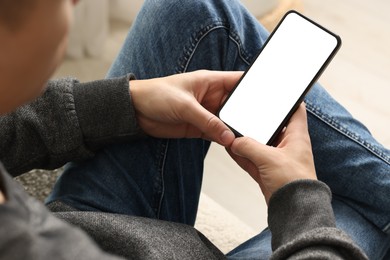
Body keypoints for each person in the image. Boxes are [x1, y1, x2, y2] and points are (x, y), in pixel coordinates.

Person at [0, 0, 388, 259]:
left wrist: (125, 102)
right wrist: (300, 200)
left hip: (90, 223)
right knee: (369, 214)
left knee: (194, 9)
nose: (76, 3)